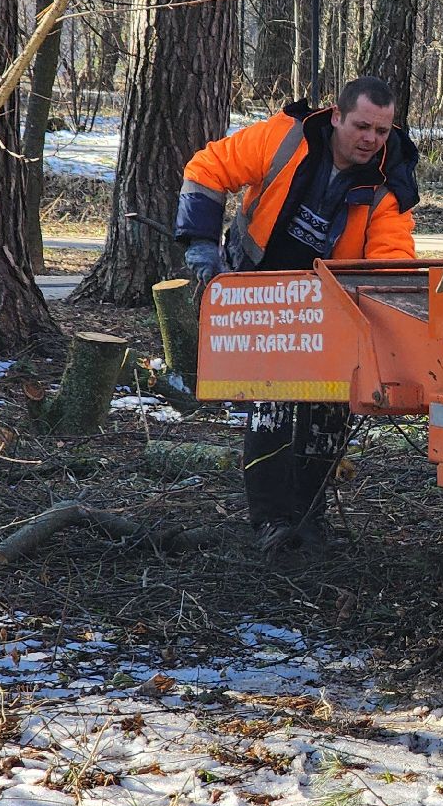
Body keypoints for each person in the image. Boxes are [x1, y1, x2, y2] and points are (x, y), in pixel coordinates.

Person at [174, 76, 420, 553]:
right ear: (336, 116)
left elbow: (391, 261)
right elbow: (207, 168)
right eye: (362, 126)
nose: (371, 139)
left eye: (382, 130)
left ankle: (310, 522)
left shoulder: (390, 184)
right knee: (271, 406)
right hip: (260, 292)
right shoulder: (283, 137)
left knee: (328, 411)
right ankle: (271, 523)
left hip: (331, 307)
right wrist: (201, 245)